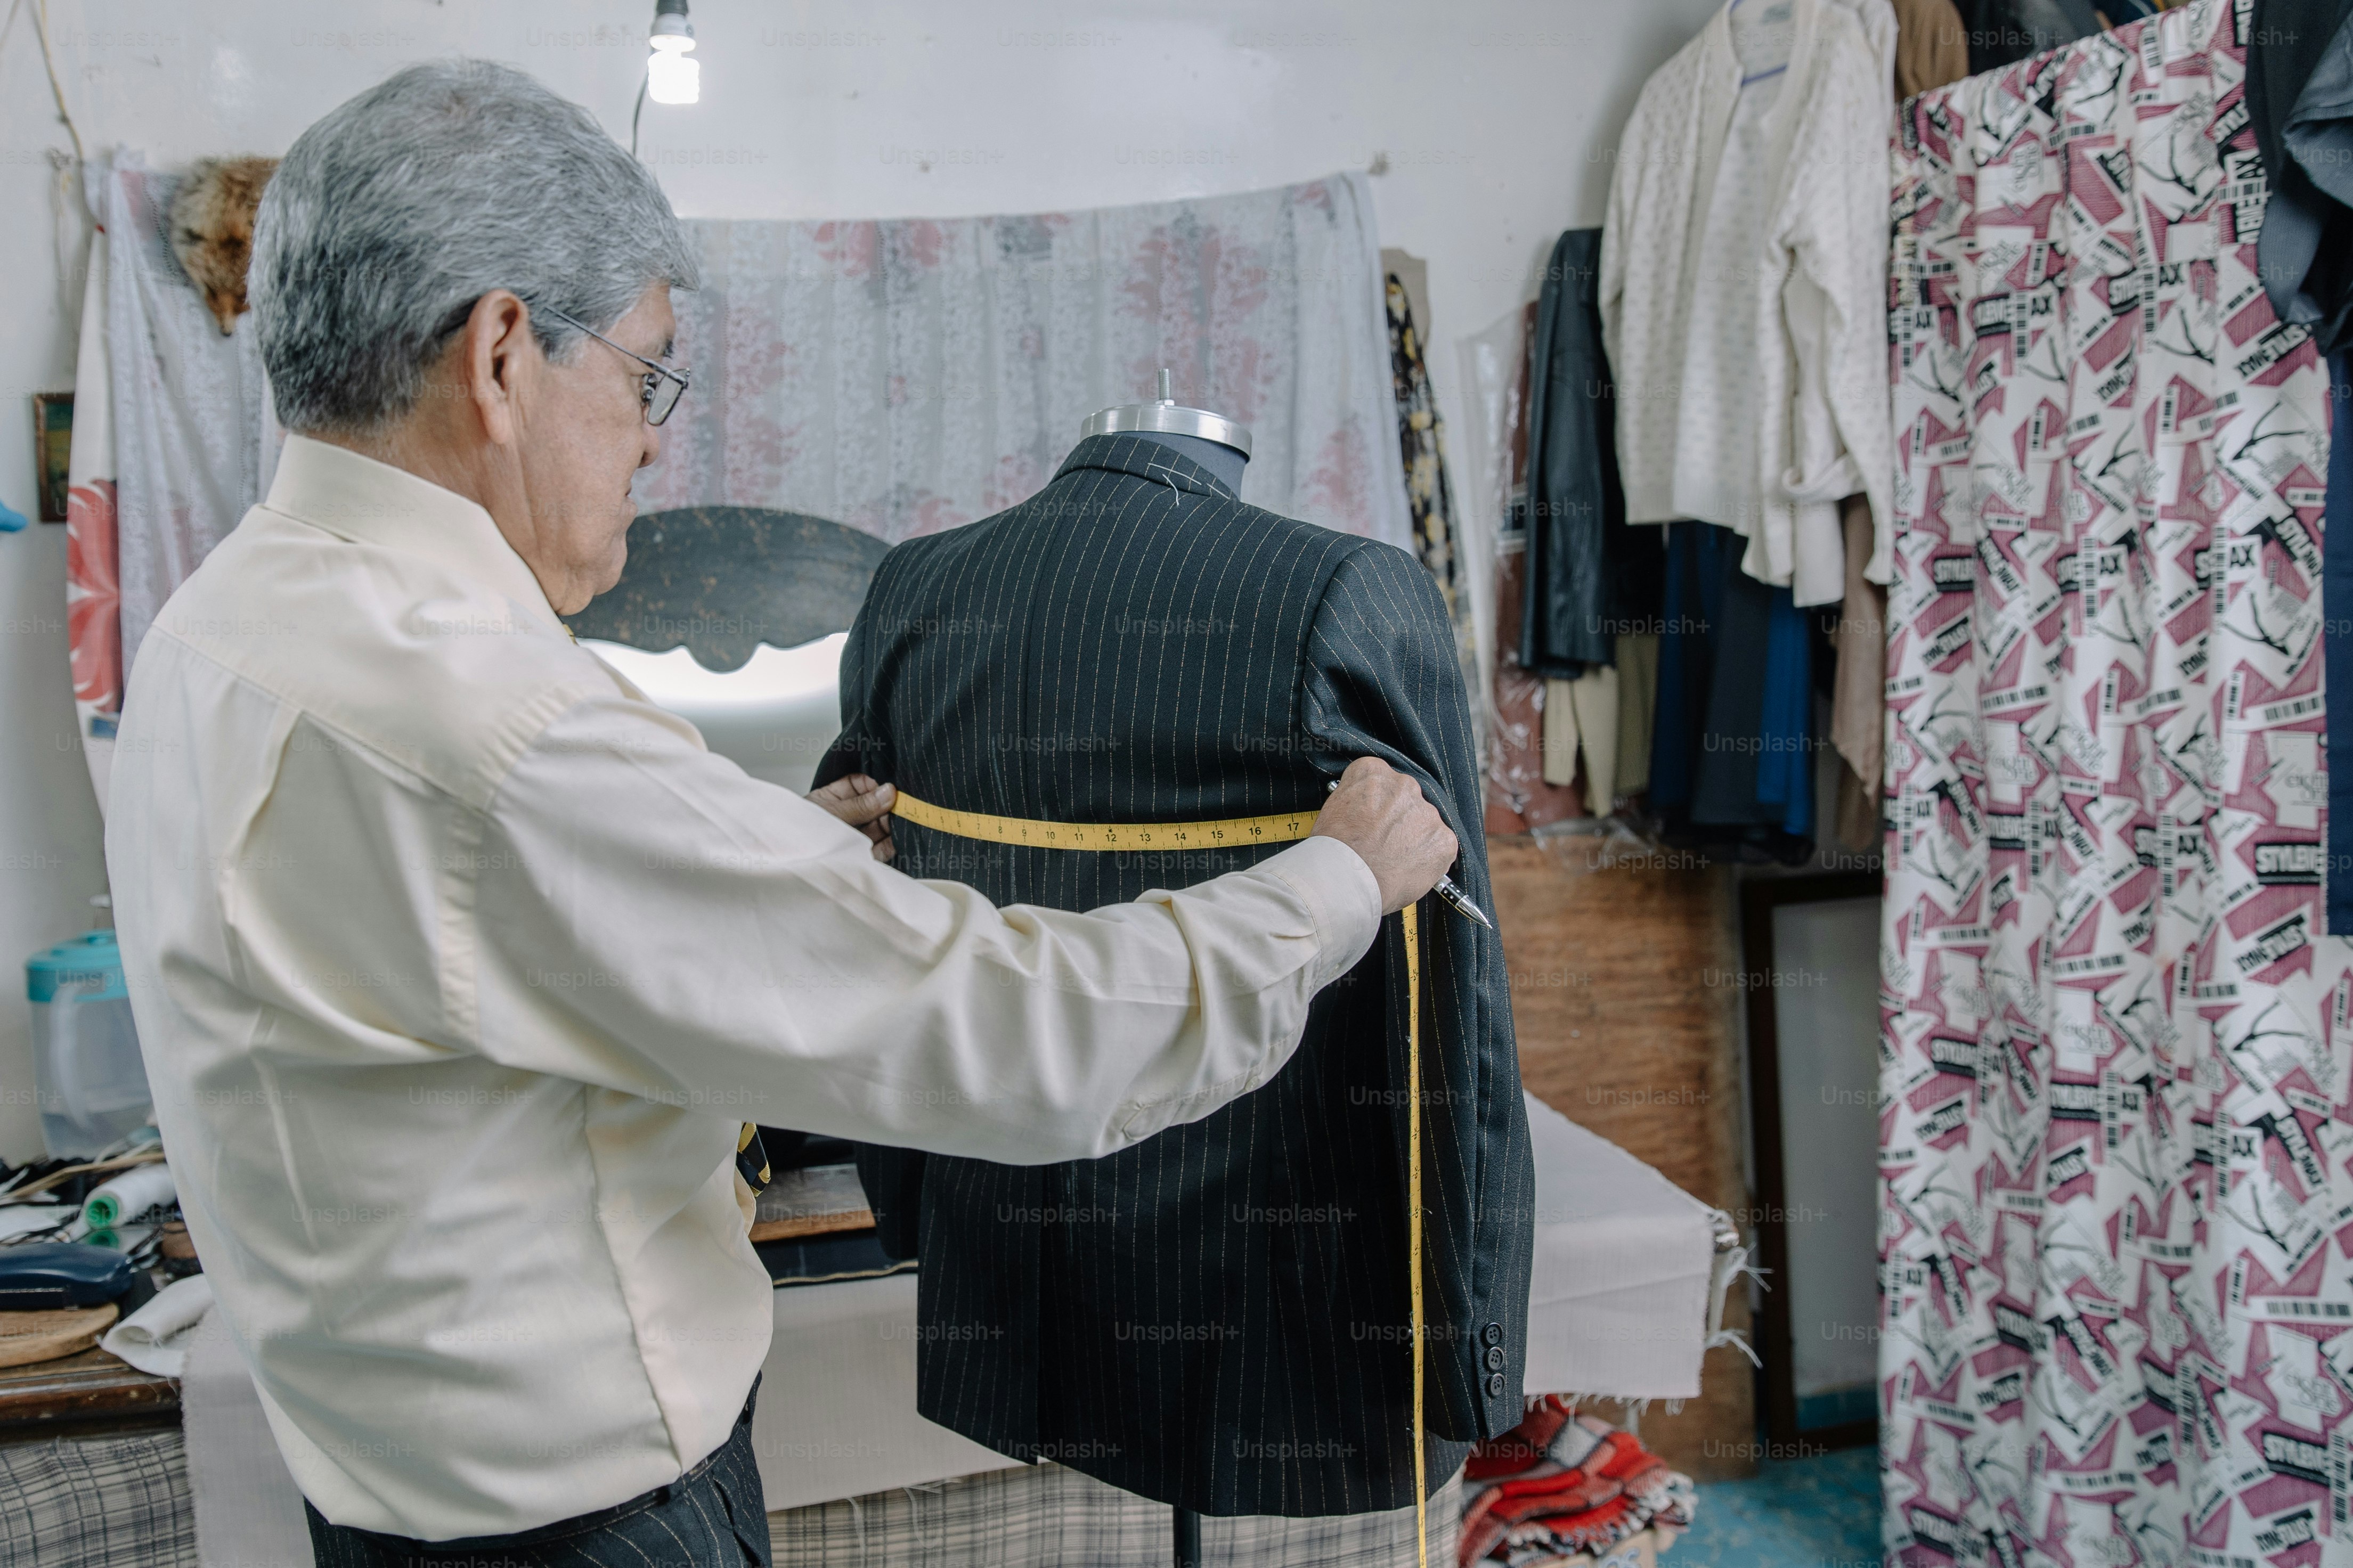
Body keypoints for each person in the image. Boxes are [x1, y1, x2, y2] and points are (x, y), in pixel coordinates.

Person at [101, 59, 1457, 1568]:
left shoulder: (214, 629)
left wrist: (792, 843)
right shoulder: (505, 737)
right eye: (643, 373)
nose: (652, 438)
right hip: (594, 1532)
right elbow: (1014, 1035)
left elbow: (476, 936)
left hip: (377, 1506)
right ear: (499, 355)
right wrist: (1336, 880)